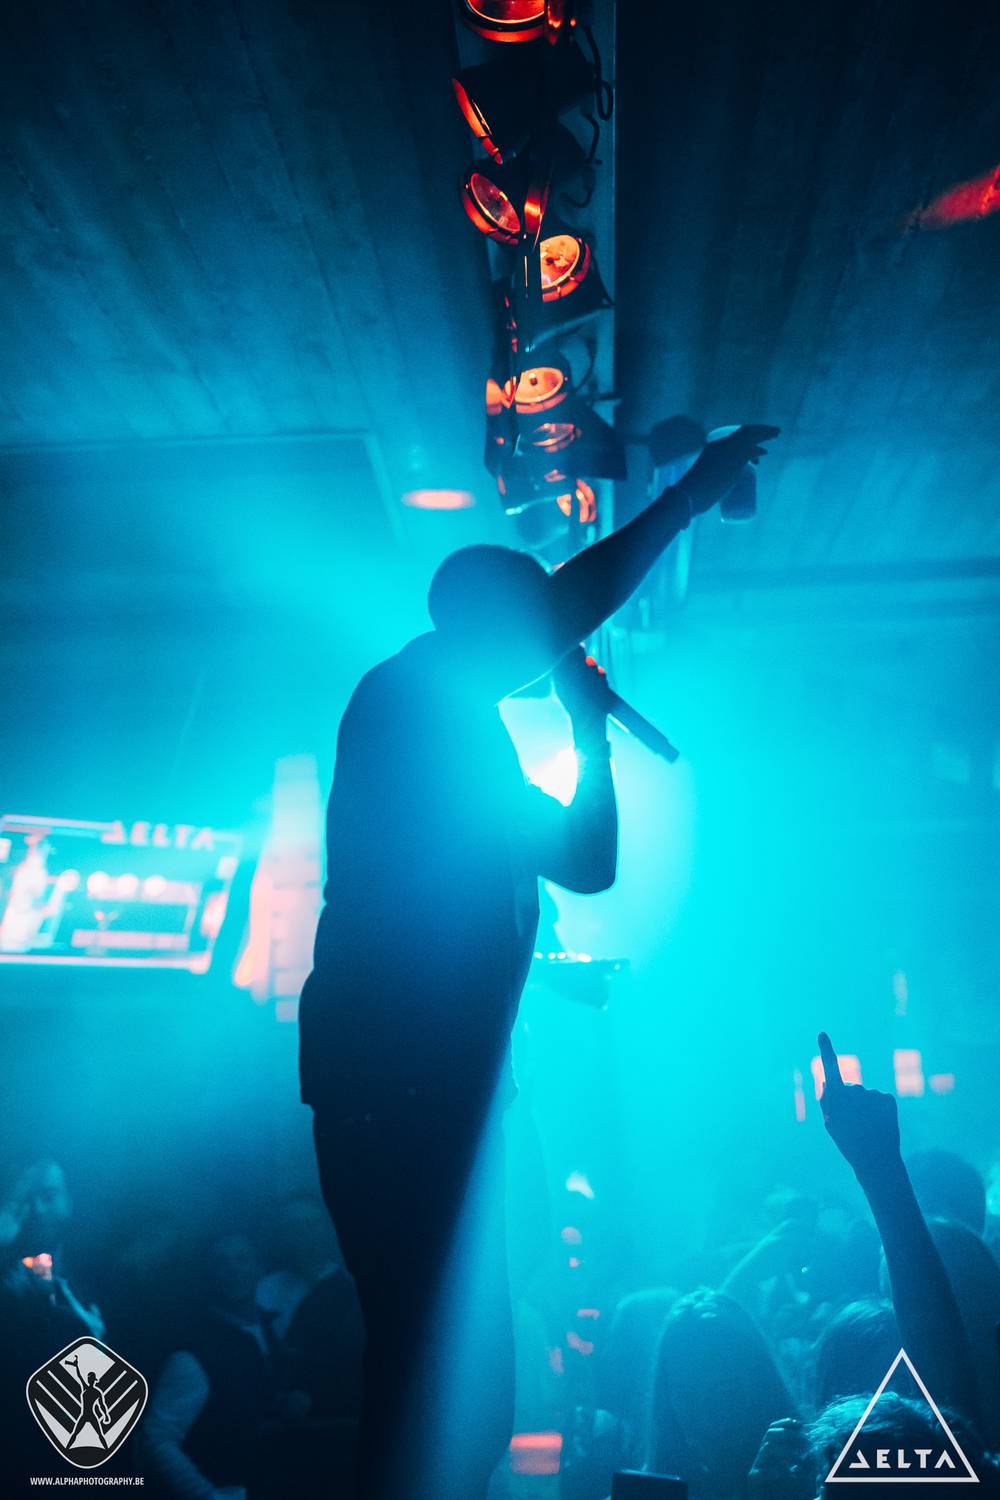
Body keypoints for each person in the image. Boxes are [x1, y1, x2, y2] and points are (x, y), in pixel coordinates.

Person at [299, 423, 779, 1500]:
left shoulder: (455, 728)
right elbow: (581, 855)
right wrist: (686, 498)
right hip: (397, 1095)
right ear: (486, 623)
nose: (553, 643)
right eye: (536, 621)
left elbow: (569, 868)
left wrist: (588, 734)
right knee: (434, 1368)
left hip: (444, 1091)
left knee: (468, 1367)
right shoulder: (408, 700)